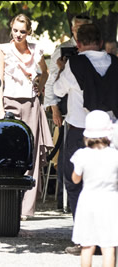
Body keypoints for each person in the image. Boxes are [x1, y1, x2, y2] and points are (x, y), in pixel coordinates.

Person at [53, 23, 118, 255]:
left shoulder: (74, 64)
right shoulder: (116, 63)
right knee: (112, 185)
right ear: (100, 42)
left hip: (81, 130)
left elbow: (58, 90)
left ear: (78, 44)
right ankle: (109, 238)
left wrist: (62, 69)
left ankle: (87, 239)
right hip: (113, 131)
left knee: (75, 182)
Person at [0, 14, 53, 220]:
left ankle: (26, 209)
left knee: (32, 153)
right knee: (9, 153)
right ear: (11, 28)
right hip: (9, 102)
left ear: (29, 32)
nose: (18, 34)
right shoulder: (3, 49)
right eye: (16, 30)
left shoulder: (37, 50)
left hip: (31, 103)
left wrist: (40, 83)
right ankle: (7, 203)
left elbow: (45, 72)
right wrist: (0, 109)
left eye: (23, 31)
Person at [44, 15, 92, 211]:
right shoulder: (62, 51)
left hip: (89, 112)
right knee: (67, 155)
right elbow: (51, 82)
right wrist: (54, 107)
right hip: (69, 109)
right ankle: (64, 200)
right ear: (73, 30)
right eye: (79, 28)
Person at [70, 110, 118, 267]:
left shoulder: (82, 155)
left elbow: (75, 179)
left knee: (87, 244)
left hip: (88, 201)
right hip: (110, 201)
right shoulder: (114, 156)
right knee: (109, 245)